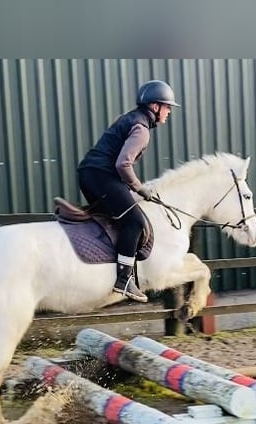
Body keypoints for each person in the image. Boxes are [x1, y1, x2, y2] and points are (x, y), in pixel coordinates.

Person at [77, 79, 180, 303]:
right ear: (155, 107)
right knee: (135, 222)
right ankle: (124, 279)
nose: (169, 111)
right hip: (101, 176)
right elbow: (123, 164)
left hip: (91, 174)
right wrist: (140, 188)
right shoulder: (142, 130)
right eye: (167, 106)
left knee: (118, 217)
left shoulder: (129, 118)